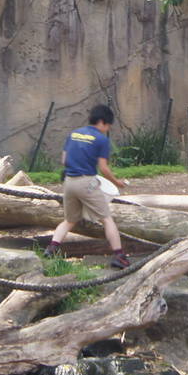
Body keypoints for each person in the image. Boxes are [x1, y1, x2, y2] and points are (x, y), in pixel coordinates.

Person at [42, 104, 131, 269]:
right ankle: (119, 256)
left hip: (69, 182)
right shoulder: (101, 139)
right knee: (107, 219)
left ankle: (52, 248)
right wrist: (117, 182)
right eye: (108, 125)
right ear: (102, 122)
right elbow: (103, 168)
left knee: (69, 220)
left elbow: (64, 160)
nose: (108, 129)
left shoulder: (74, 134)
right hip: (87, 182)